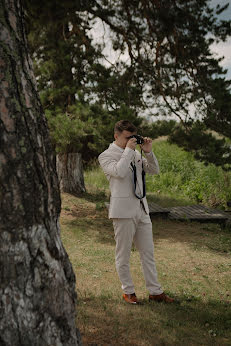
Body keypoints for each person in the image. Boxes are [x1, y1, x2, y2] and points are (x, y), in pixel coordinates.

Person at [98, 120, 174, 304]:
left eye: (133, 137)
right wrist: (129, 151)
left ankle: (155, 292)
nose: (130, 140)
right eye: (127, 137)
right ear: (116, 136)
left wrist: (148, 152)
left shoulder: (135, 153)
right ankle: (128, 291)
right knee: (123, 254)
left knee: (148, 253)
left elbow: (154, 170)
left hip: (142, 209)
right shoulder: (106, 155)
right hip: (122, 211)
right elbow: (119, 172)